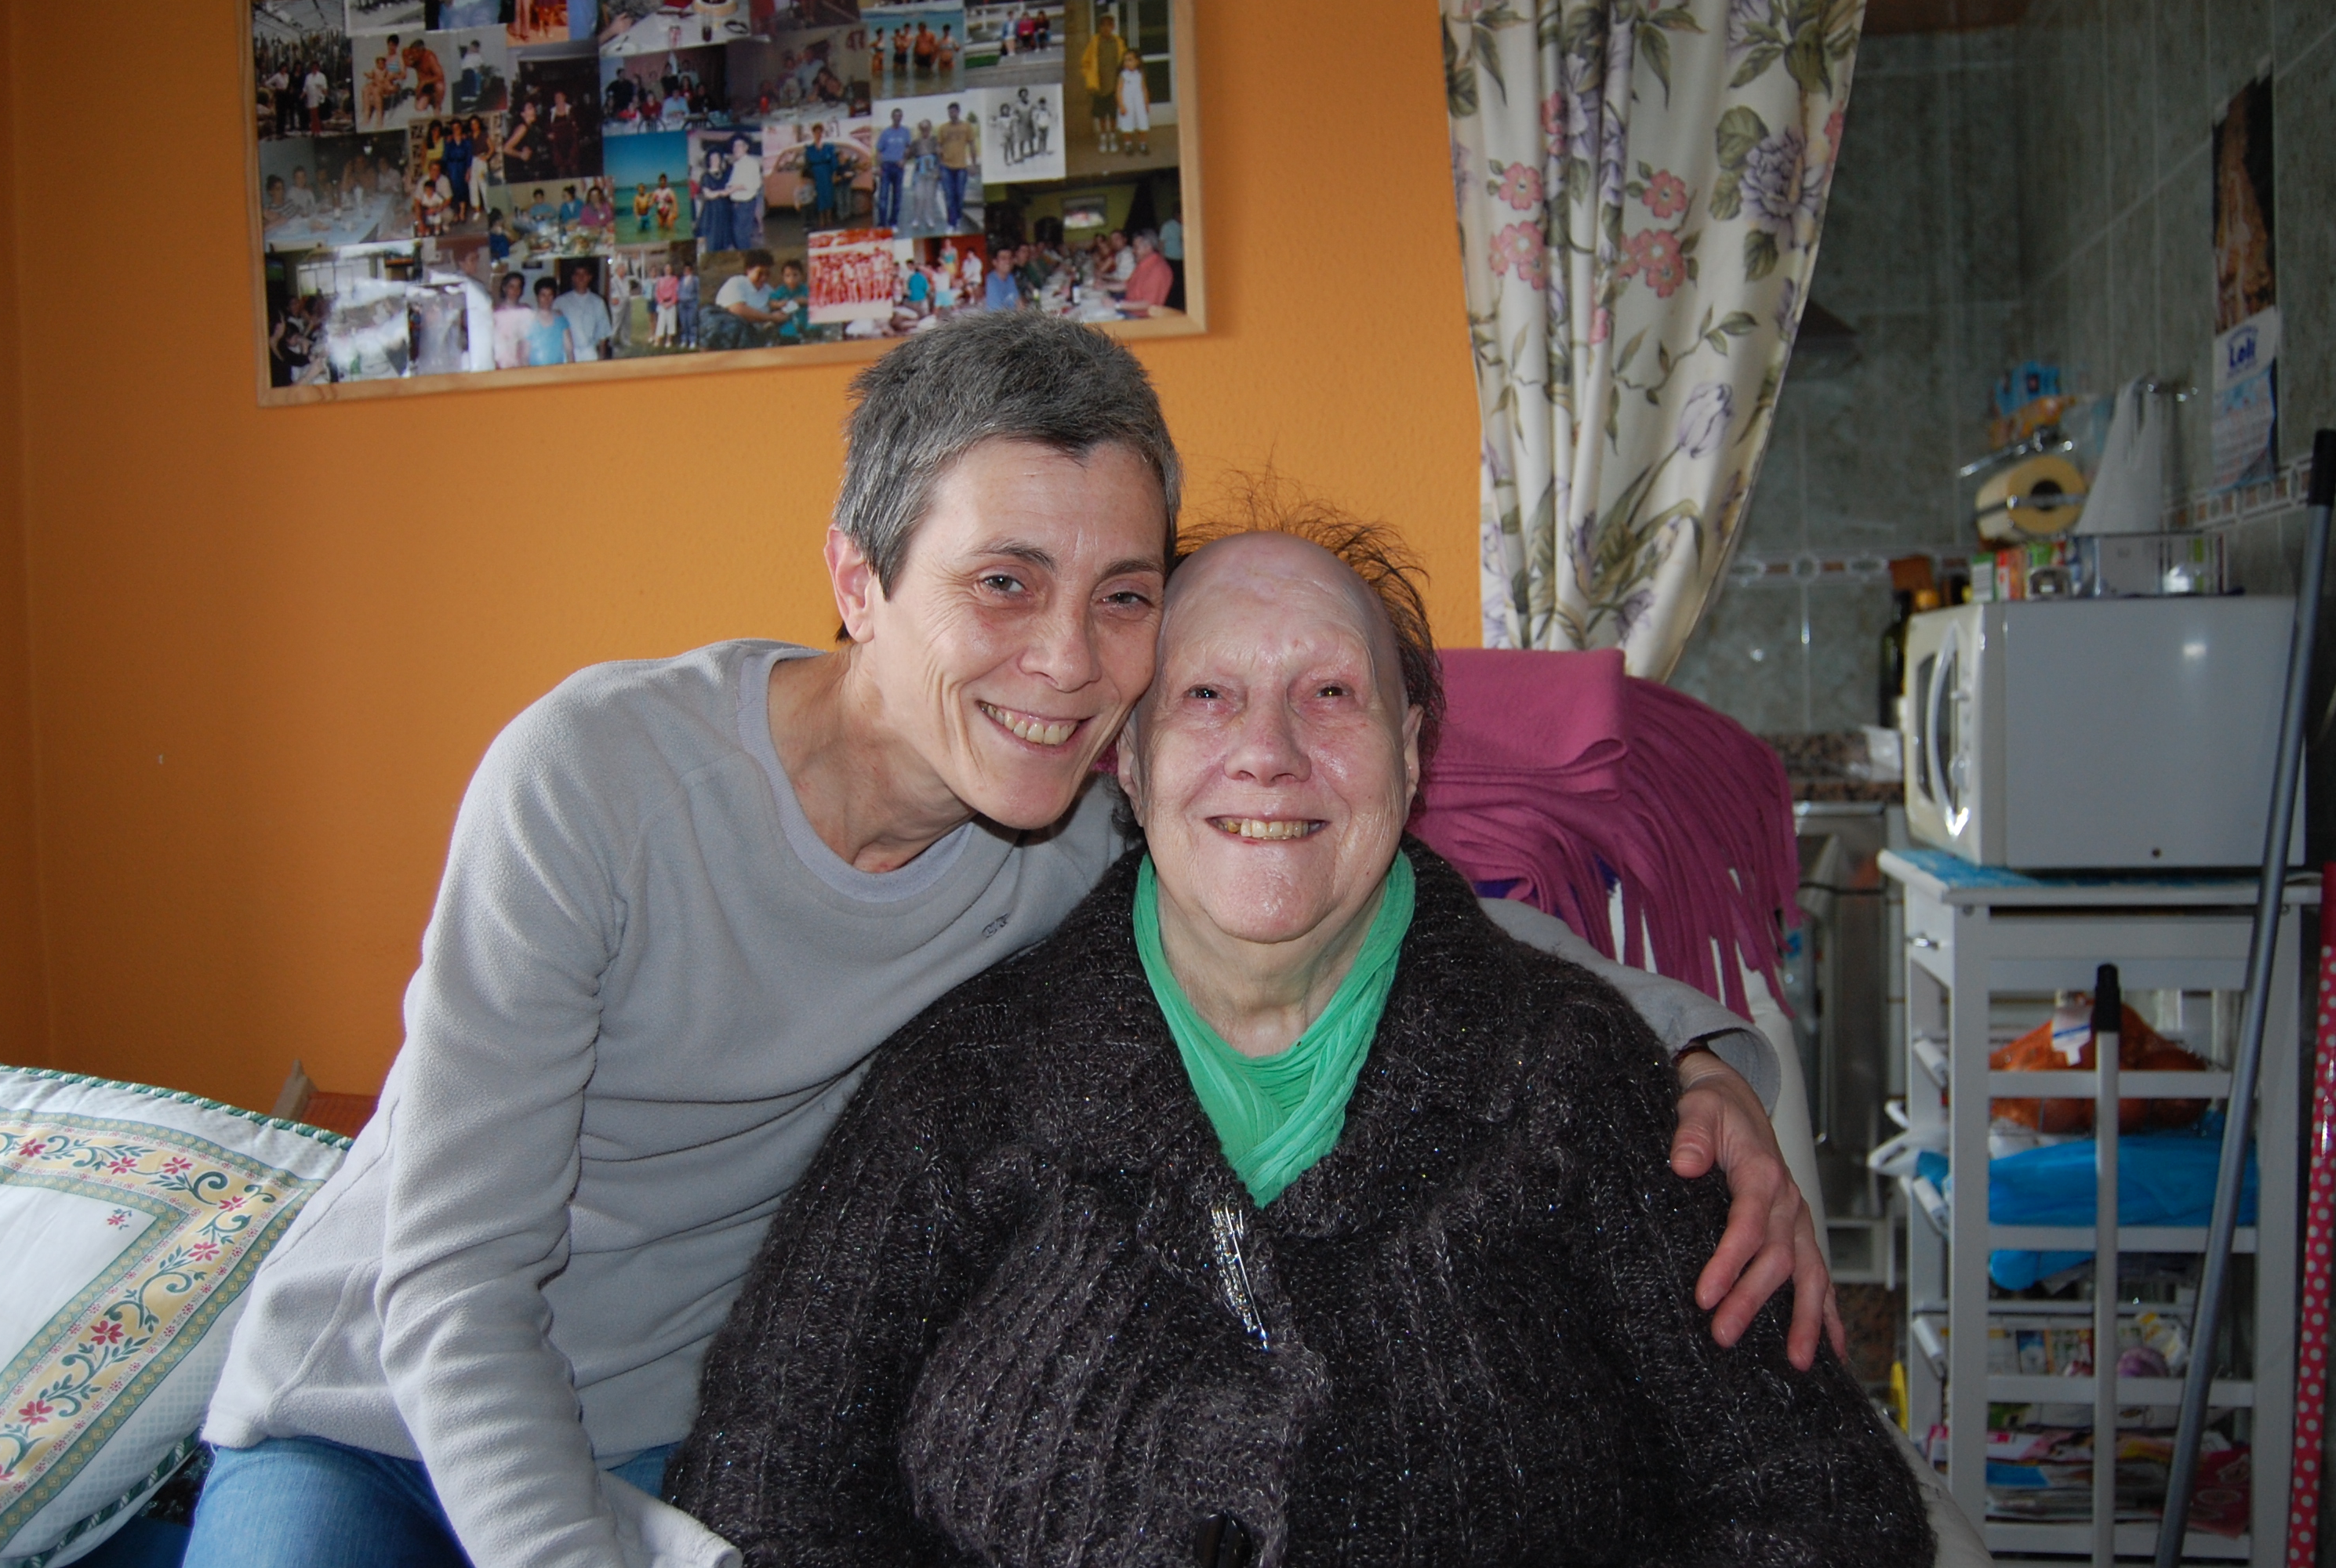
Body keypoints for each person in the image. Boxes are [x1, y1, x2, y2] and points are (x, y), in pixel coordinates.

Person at [187, 314, 1829, 1568]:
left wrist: (1695, 1052)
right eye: (1001, 582)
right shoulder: (598, 782)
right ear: (856, 576)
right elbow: (457, 1289)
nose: (1065, 660)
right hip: (386, 1415)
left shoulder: (1070, 823)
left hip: (667, 1434)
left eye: (1124, 595)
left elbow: (1394, 885)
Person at [665, 514, 1929, 1567]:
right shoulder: (965, 1080)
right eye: (1207, 697)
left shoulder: (1577, 1083)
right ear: (1130, 758)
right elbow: (766, 1484)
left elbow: (1824, 1513)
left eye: (1331, 695)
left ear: (1412, 748)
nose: (1267, 755)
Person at [1081, 11, 1123, 154]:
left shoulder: (1118, 42)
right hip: (1099, 85)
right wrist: (1089, 77)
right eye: (1103, 25)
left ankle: (1112, 137)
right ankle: (1104, 138)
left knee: (1112, 114)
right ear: (1099, 27)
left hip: (1114, 85)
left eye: (1109, 25)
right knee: (1101, 115)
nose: (1106, 28)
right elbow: (1085, 62)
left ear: (1113, 27)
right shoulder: (1095, 42)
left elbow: (1123, 62)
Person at [933, 100, 976, 233]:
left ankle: (957, 217)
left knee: (959, 194)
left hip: (961, 167)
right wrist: (939, 164)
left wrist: (973, 164)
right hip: (946, 166)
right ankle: (951, 223)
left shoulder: (966, 127)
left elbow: (972, 145)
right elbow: (939, 146)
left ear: (958, 112)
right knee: (949, 195)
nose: (952, 114)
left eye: (954, 111)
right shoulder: (943, 128)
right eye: (949, 112)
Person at [558, 261, 612, 360]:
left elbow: (603, 332)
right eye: (578, 274)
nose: (581, 278)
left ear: (590, 277)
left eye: (584, 274)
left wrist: (602, 358)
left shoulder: (598, 302)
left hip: (589, 352)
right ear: (573, 278)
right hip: (567, 353)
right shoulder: (561, 301)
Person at [874, 107, 912, 228]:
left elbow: (909, 149)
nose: (897, 118)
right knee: (883, 197)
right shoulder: (886, 133)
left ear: (901, 118)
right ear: (892, 117)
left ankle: (893, 222)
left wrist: (904, 160)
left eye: (900, 116)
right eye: (895, 116)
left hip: (899, 167)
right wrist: (879, 167)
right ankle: (882, 224)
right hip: (886, 167)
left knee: (897, 197)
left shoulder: (906, 132)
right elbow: (879, 151)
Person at [1117, 228, 1171, 314]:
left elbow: (1148, 304)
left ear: (1148, 247)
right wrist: (1104, 286)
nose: (1133, 251)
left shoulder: (1158, 269)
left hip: (1140, 318)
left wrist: (1118, 305)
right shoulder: (1144, 262)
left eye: (1136, 248)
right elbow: (1128, 284)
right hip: (1129, 307)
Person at [723, 133, 762, 249]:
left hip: (745, 205)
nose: (735, 149)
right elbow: (731, 182)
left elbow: (756, 184)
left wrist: (737, 187)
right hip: (736, 205)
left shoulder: (751, 163)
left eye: (739, 146)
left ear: (746, 148)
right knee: (738, 235)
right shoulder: (737, 164)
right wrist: (727, 188)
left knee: (741, 236)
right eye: (734, 146)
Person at [521, 273, 571, 365]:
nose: (547, 299)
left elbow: (569, 351)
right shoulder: (528, 321)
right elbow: (524, 355)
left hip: (558, 371)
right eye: (543, 295)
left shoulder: (561, 321)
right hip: (535, 373)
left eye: (550, 295)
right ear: (537, 296)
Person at [1115, 48, 1149, 157]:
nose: (1127, 63)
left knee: (1142, 123)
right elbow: (1119, 91)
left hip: (1139, 102)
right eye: (1125, 60)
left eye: (1130, 60)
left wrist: (1146, 103)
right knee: (1127, 124)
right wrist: (1121, 105)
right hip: (1127, 103)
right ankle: (1128, 144)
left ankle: (1143, 144)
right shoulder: (1123, 75)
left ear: (1137, 61)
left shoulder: (1140, 74)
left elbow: (1144, 88)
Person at [765, 258, 808, 344]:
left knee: (812, 327)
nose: (791, 279)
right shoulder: (781, 290)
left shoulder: (804, 289)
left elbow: (814, 301)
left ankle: (808, 335)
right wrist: (779, 304)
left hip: (802, 316)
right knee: (788, 332)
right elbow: (771, 303)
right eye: (787, 276)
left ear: (802, 276)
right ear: (783, 277)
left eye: (795, 275)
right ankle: (789, 338)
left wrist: (804, 301)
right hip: (787, 319)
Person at [980, 245, 1020, 310]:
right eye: (1003, 258)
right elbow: (997, 315)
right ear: (995, 262)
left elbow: (1019, 302)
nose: (1008, 261)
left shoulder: (1010, 278)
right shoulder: (991, 281)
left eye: (1010, 258)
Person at [648, 264, 679, 345]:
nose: (667, 270)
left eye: (669, 269)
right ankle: (658, 340)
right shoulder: (660, 280)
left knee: (671, 322)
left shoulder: (674, 279)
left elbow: (675, 292)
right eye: (666, 269)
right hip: (662, 304)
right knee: (661, 322)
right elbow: (658, 292)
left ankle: (669, 341)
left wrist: (671, 303)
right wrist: (662, 302)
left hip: (671, 303)